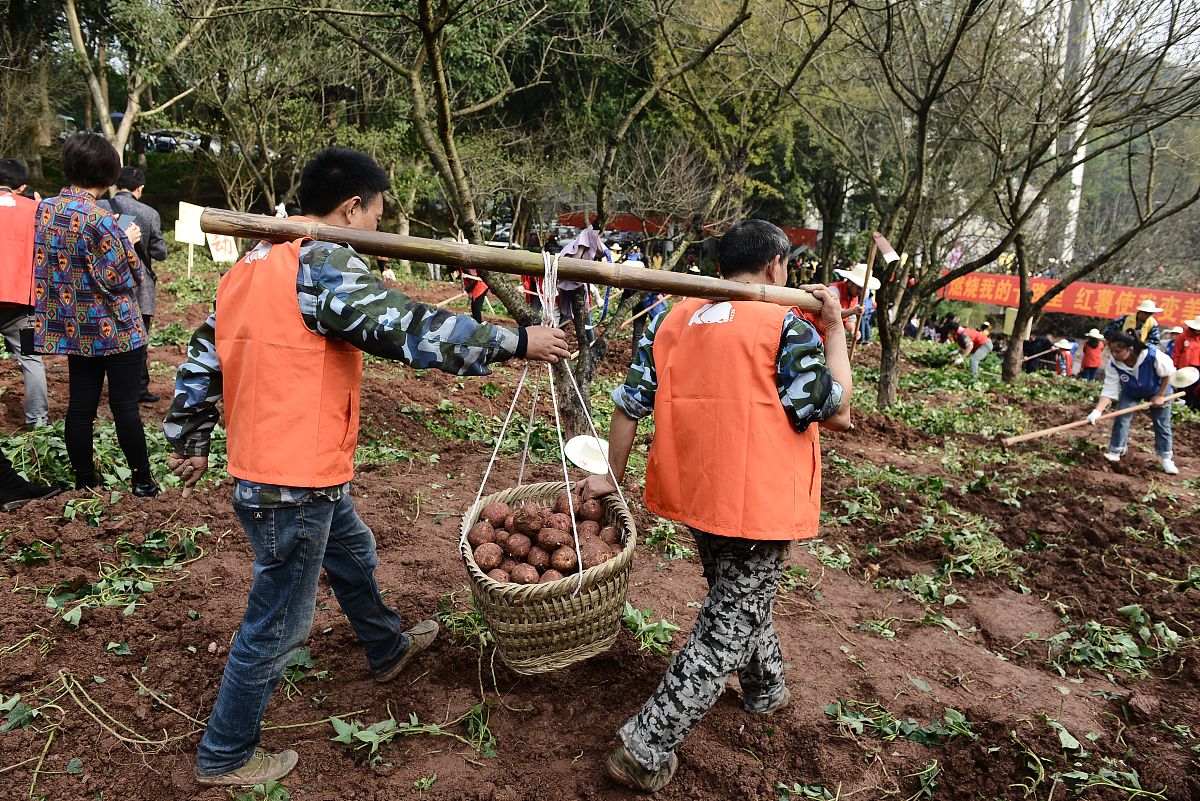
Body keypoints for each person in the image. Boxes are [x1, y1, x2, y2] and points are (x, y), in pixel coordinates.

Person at [164, 148, 569, 787]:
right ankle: (225, 754)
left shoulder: (253, 262)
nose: (379, 232)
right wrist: (516, 341)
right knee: (278, 620)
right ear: (353, 207)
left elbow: (203, 352)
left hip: (292, 465)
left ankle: (386, 647)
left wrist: (189, 434)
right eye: (378, 216)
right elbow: (403, 328)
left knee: (352, 550)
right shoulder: (322, 260)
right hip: (290, 476)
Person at [575, 220, 852, 793]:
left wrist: (612, 475)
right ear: (777, 266)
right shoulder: (786, 327)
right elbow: (837, 411)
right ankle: (644, 747)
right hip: (756, 504)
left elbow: (630, 405)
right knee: (726, 625)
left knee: (739, 603)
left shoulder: (669, 319)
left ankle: (765, 686)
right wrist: (836, 332)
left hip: (696, 494)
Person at [33, 133, 156, 495]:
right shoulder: (100, 220)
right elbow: (121, 278)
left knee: (80, 409)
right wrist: (127, 241)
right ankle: (143, 481)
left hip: (73, 326)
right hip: (115, 327)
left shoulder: (46, 210)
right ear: (109, 175)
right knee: (124, 407)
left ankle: (85, 480)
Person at [99, 166, 167, 404]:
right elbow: (160, 253)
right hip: (139, 285)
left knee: (106, 334)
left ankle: (104, 386)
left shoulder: (99, 207)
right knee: (139, 339)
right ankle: (138, 389)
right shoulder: (149, 213)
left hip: (105, 281)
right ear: (140, 188)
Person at [0, 158, 49, 428]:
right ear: (21, 186)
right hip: (22, 303)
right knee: (31, 359)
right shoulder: (36, 209)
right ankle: (38, 422)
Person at [1085, 331, 1177, 474]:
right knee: (1121, 417)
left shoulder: (1153, 356)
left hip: (1157, 389)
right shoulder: (1114, 364)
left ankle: (1166, 457)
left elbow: (1168, 374)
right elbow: (1109, 389)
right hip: (1131, 391)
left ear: (1130, 349)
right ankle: (1116, 450)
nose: (1114, 355)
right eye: (1112, 351)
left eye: (1118, 351)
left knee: (1161, 423)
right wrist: (1097, 411)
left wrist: (1160, 395)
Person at [829, 263, 879, 336]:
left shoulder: (854, 296)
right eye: (859, 287)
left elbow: (849, 320)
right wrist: (853, 311)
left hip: (830, 335)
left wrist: (853, 331)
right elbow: (833, 314)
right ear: (850, 283)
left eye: (863, 289)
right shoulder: (833, 290)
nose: (860, 292)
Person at [1173, 316, 1200, 410]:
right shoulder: (1183, 336)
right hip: (1185, 368)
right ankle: (1183, 408)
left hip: (1197, 368)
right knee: (1184, 389)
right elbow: (1176, 353)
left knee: (1195, 391)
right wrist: (1175, 366)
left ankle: (1194, 408)